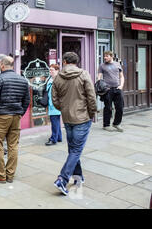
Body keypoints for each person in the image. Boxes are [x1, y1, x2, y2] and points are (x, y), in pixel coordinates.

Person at [52, 52, 97, 195]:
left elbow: (54, 99)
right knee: (76, 150)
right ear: (76, 62)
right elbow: (91, 96)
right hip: (82, 117)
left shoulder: (58, 76)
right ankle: (62, 179)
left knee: (73, 150)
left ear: (65, 61)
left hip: (67, 117)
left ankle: (78, 178)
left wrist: (64, 109)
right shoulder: (83, 74)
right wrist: (92, 112)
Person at [0, 56, 30, 183]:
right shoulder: (22, 80)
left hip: (1, 116)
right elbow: (27, 100)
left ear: (2, 66)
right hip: (16, 116)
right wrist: (20, 112)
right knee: (13, 145)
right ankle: (10, 174)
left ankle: (0, 175)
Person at [97, 51, 124, 132]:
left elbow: (122, 76)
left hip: (117, 89)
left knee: (120, 107)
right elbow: (99, 78)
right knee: (108, 108)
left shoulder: (117, 64)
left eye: (107, 56)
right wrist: (103, 88)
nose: (105, 57)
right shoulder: (102, 66)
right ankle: (106, 125)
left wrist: (121, 85)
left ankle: (116, 123)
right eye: (104, 56)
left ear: (111, 56)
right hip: (107, 90)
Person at [45, 64, 62, 146]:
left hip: (55, 104)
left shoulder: (59, 80)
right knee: (56, 121)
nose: (50, 71)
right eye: (50, 70)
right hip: (51, 103)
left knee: (54, 122)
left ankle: (53, 139)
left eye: (52, 70)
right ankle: (59, 137)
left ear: (57, 70)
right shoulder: (51, 78)